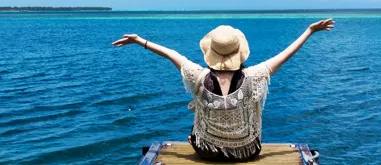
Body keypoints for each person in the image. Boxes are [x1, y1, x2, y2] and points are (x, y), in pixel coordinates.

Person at [112, 18, 335, 162]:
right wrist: (309, 31)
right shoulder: (254, 76)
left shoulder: (197, 76)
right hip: (247, 152)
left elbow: (171, 54)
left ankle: (202, 139)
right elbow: (286, 55)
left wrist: (140, 40)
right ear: (238, 51)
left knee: (197, 117)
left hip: (207, 151)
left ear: (212, 52)